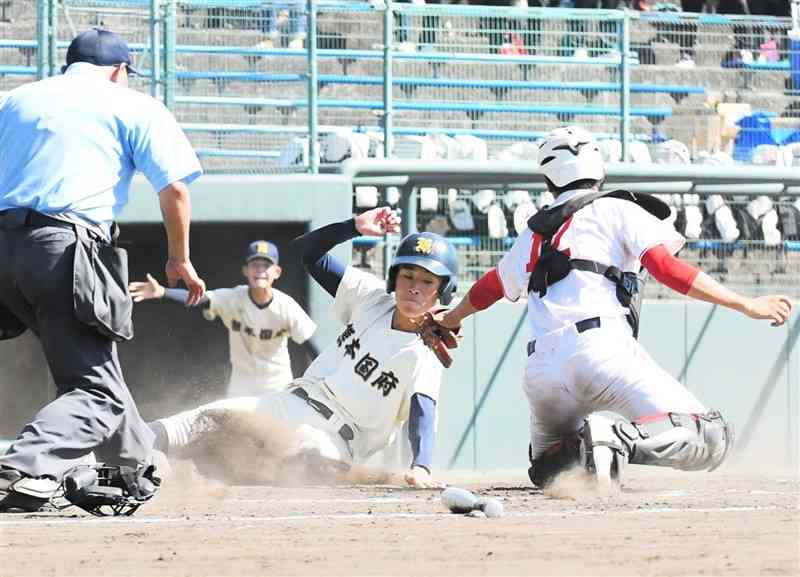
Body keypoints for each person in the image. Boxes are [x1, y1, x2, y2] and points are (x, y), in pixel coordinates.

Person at [434, 126, 793, 489]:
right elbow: (666, 268)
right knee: (712, 437)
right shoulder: (616, 207)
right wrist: (745, 303)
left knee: (558, 471)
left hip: (542, 372)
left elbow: (491, 286)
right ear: (599, 170)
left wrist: (449, 318)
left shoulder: (533, 233)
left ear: (549, 181)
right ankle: (617, 439)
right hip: (599, 352)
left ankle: (576, 451)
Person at [0, 28, 205, 512]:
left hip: (4, 248)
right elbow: (174, 190)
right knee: (94, 393)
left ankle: (136, 467)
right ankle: (25, 466)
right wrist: (179, 258)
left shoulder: (15, 100)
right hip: (62, 247)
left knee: (93, 369)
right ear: (119, 71)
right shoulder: (130, 103)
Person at [149, 207, 457, 488]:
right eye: (408, 275)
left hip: (334, 438)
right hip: (288, 403)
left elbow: (423, 414)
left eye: (428, 281)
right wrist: (353, 226)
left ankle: (372, 476)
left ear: (442, 291)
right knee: (203, 419)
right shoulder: (372, 297)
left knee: (301, 465)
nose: (415, 286)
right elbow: (306, 251)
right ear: (393, 278)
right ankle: (126, 445)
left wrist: (422, 466)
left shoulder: (424, 353)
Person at [129, 240, 318, 398]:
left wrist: (320, 381)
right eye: (255, 264)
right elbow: (201, 299)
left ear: (277, 272)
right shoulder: (234, 298)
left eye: (266, 265)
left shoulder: (286, 306)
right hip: (241, 384)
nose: (260, 270)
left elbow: (310, 344)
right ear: (245, 270)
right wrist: (163, 291)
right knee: (235, 436)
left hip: (276, 384)